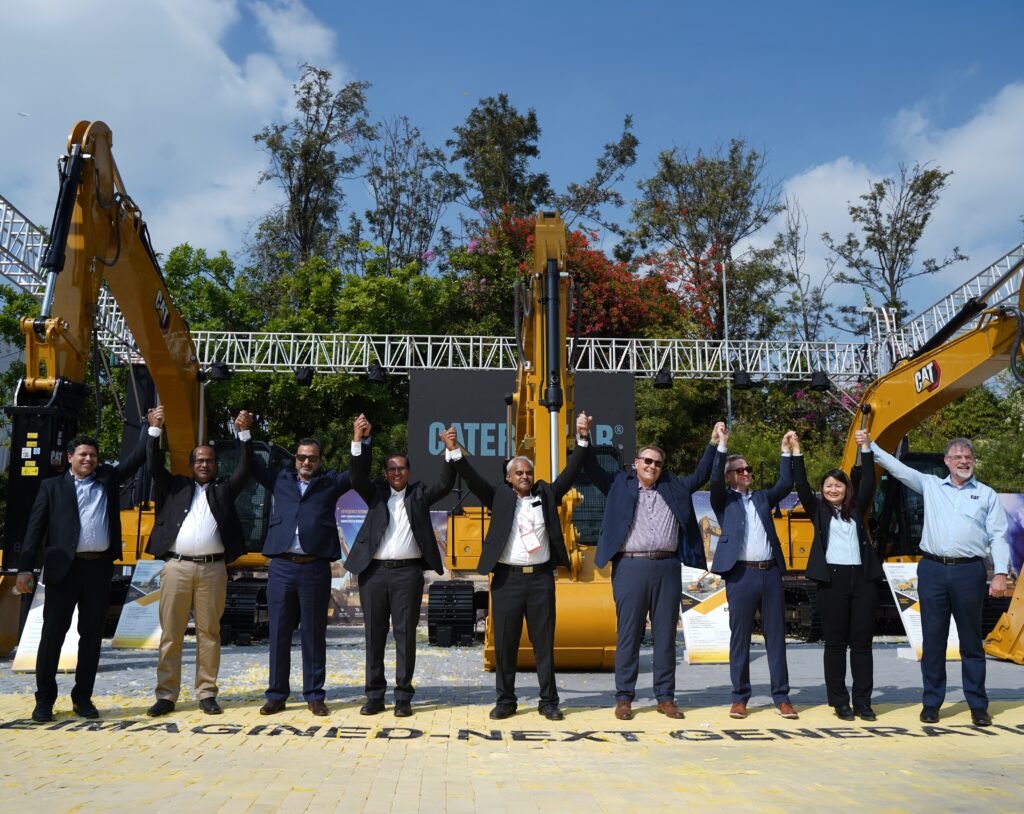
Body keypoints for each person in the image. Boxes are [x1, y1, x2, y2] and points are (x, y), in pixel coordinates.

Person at [449, 412, 591, 721]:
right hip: (506, 580)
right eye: (519, 473)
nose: (525, 476)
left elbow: (570, 473)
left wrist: (582, 439)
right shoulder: (498, 496)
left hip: (540, 581)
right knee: (505, 643)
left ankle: (549, 701)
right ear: (509, 478)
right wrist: (454, 450)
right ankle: (505, 701)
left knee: (544, 643)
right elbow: (472, 478)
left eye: (528, 472)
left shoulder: (546, 493)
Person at [585, 421, 726, 721]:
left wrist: (714, 443)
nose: (652, 466)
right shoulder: (618, 484)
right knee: (629, 635)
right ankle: (624, 698)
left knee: (665, 636)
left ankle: (665, 698)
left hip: (666, 566)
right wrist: (584, 436)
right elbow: (592, 468)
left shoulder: (673, 487)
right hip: (630, 565)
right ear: (636, 463)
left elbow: (701, 474)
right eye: (647, 461)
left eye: (658, 463)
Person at [16, 419, 151, 722]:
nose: (88, 459)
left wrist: (151, 428)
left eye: (93, 455)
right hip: (64, 571)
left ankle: (83, 698)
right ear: (70, 458)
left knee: (90, 637)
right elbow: (34, 530)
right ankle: (44, 700)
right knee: (52, 636)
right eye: (83, 455)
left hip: (98, 570)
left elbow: (136, 458)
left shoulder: (107, 479)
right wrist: (24, 569)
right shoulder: (51, 487)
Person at [869, 435, 1009, 726]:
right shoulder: (930, 485)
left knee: (971, 641)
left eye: (967, 457)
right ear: (946, 462)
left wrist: (999, 573)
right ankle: (931, 703)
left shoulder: (987, 494)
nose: (963, 461)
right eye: (957, 457)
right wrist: (870, 446)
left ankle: (978, 705)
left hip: (969, 572)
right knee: (933, 640)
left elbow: (998, 535)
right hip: (932, 570)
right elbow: (897, 469)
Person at [252, 415, 371, 716]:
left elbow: (357, 474)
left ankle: (314, 694)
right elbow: (251, 466)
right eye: (302, 457)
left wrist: (359, 440)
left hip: (314, 567)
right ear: (295, 459)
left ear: (319, 461)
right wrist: (243, 434)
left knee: (314, 634)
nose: (307, 462)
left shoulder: (329, 482)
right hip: (281, 566)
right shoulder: (280, 479)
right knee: (278, 632)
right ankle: (276, 694)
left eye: (312, 458)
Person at [144, 408, 254, 717]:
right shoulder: (176, 487)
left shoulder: (223, 490)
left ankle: (206, 692)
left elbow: (246, 468)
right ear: (191, 465)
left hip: (212, 570)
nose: (204, 464)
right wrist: (155, 431)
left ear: (216, 466)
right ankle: (166, 695)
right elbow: (153, 466)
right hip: (176, 567)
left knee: (209, 633)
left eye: (209, 461)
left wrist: (244, 435)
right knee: (171, 634)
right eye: (199, 461)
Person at [345, 427, 459, 717]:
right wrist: (358, 440)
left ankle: (403, 698)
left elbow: (445, 484)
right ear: (386, 473)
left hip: (408, 574)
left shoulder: (419, 494)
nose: (397, 473)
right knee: (374, 635)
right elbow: (356, 477)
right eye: (392, 469)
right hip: (374, 573)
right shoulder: (375, 493)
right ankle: (374, 696)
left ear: (409, 471)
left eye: (401, 468)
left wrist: (450, 449)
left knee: (405, 636)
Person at [792, 429, 881, 721]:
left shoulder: (856, 509)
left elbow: (869, 481)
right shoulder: (818, 510)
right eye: (828, 486)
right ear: (823, 489)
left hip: (862, 580)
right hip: (832, 582)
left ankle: (863, 702)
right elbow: (801, 484)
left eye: (838, 485)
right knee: (835, 644)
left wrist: (865, 448)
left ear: (846, 489)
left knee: (862, 644)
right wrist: (796, 451)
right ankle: (840, 702)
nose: (833, 490)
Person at [710, 428, 798, 720]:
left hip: (770, 573)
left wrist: (786, 450)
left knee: (776, 636)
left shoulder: (761, 498)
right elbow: (713, 480)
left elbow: (785, 483)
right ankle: (740, 698)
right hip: (741, 575)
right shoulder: (724, 500)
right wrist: (722, 446)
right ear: (729, 476)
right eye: (740, 470)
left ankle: (781, 697)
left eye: (748, 469)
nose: (747, 473)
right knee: (741, 638)